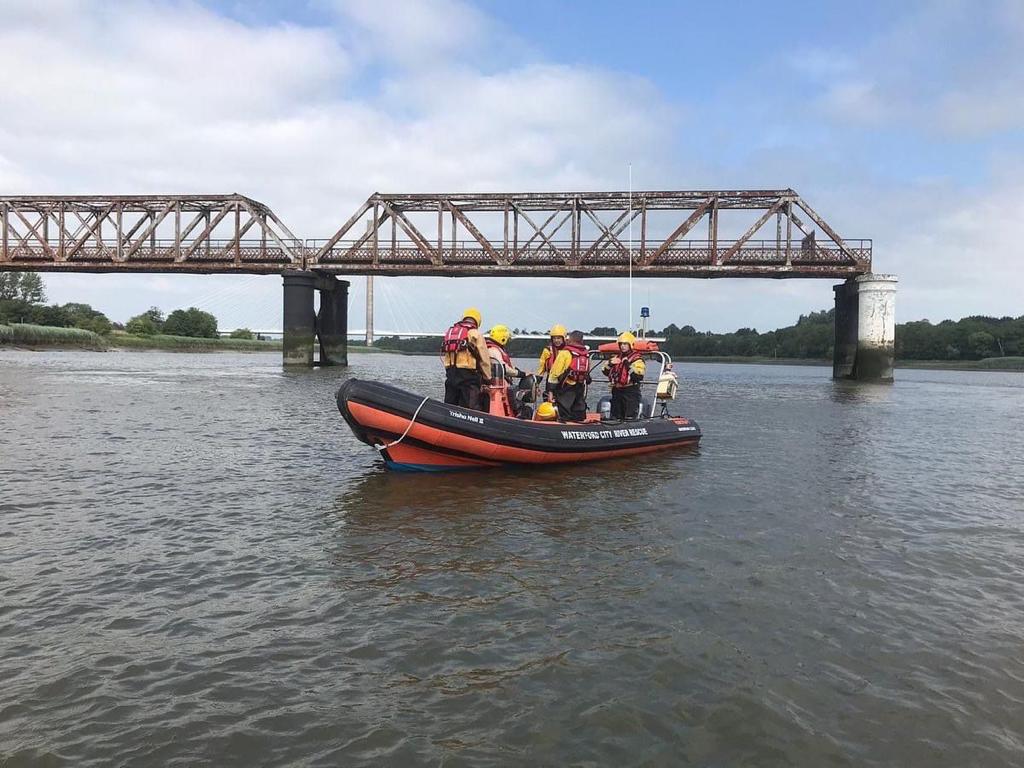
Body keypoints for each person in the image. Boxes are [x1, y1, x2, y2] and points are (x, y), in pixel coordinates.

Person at [440, 307, 491, 409]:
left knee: (450, 405)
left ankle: (446, 418)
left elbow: (446, 355)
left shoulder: (451, 332)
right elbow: (484, 360)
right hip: (468, 376)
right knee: (469, 407)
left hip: (451, 374)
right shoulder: (475, 333)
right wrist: (488, 378)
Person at [546, 330, 590, 421]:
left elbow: (555, 373)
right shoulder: (586, 354)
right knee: (579, 413)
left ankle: (564, 422)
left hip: (566, 388)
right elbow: (587, 371)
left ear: (570, 340)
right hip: (580, 387)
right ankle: (579, 421)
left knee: (564, 413)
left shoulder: (565, 353)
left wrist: (550, 391)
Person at [602, 331, 646, 420]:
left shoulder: (637, 360)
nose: (622, 346)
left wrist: (627, 365)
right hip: (617, 390)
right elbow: (605, 371)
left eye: (625, 344)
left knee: (629, 416)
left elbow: (638, 376)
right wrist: (610, 364)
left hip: (630, 391)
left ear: (630, 345)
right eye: (621, 344)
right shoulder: (616, 358)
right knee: (615, 416)